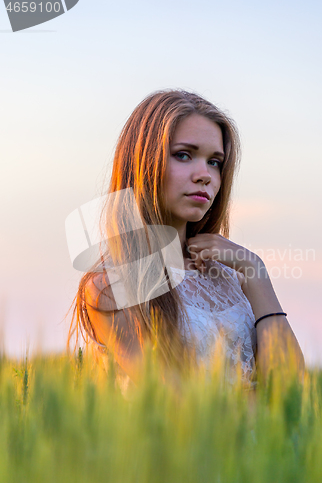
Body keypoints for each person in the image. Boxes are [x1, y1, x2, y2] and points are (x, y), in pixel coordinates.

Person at [67, 89, 304, 390]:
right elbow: (178, 407)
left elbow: (292, 393)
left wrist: (255, 271)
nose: (204, 174)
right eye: (184, 155)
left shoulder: (234, 276)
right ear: (142, 162)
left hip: (265, 439)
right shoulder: (112, 286)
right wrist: (264, 404)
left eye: (215, 162)